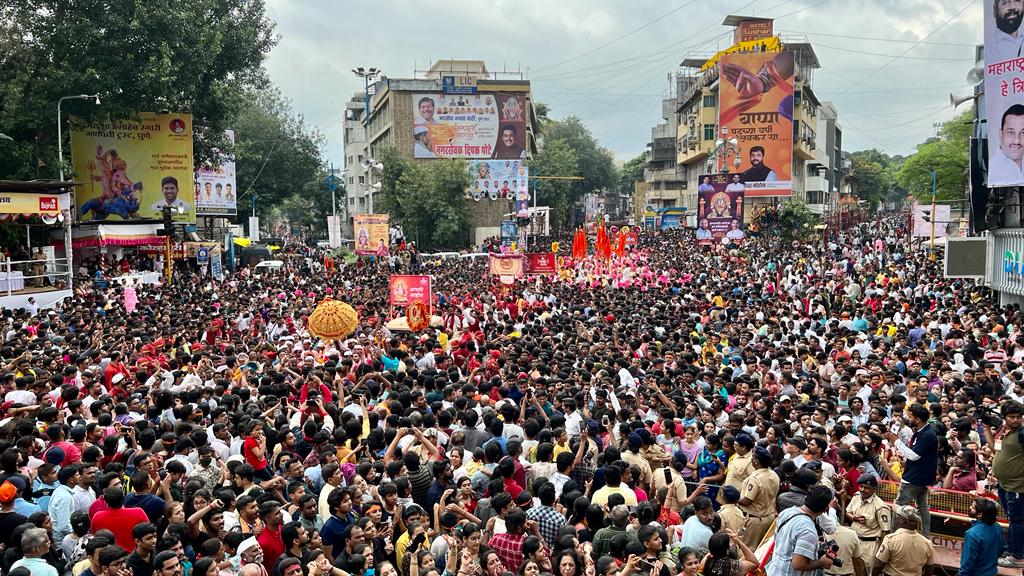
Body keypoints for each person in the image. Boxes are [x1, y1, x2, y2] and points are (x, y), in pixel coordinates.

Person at [985, 400, 1024, 568]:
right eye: (1012, 417)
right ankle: (1012, 550)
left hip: (1018, 487)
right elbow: (995, 448)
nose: (1016, 420)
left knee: (1018, 521)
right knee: (1012, 519)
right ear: (1005, 417)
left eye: (1019, 417)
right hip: (1003, 484)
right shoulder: (1004, 431)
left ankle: (1018, 557)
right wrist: (986, 428)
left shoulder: (1022, 433)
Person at [887, 403, 937, 537]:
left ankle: (892, 537)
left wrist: (896, 441)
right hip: (921, 477)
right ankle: (926, 536)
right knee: (923, 508)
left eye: (909, 417)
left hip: (913, 479)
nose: (907, 419)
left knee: (898, 507)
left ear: (918, 419)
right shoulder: (923, 432)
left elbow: (914, 456)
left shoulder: (926, 435)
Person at [765, 484, 836, 576]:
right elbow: (798, 564)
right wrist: (821, 563)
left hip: (775, 570)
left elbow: (784, 540)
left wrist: (815, 544)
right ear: (825, 509)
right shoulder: (808, 531)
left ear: (805, 498)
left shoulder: (787, 512)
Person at [844, 473, 891, 571]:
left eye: (866, 488)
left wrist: (880, 553)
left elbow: (885, 531)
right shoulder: (857, 496)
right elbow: (848, 512)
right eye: (861, 486)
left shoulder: (880, 506)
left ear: (874, 489)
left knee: (865, 570)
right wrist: (853, 517)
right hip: (853, 541)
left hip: (869, 545)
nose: (862, 490)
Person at [875, 506, 934, 576]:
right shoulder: (927, 543)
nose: (896, 518)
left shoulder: (890, 539)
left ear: (902, 520)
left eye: (898, 516)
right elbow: (930, 569)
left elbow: (878, 565)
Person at [960, 497, 1004, 576]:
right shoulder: (998, 527)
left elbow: (967, 563)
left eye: (973, 507)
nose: (969, 508)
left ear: (980, 514)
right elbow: (1001, 550)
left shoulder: (972, 534)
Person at [991, 104, 1024, 184]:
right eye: (1011, 132)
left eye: (1023, 133)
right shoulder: (991, 169)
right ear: (1001, 134)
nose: (1017, 141)